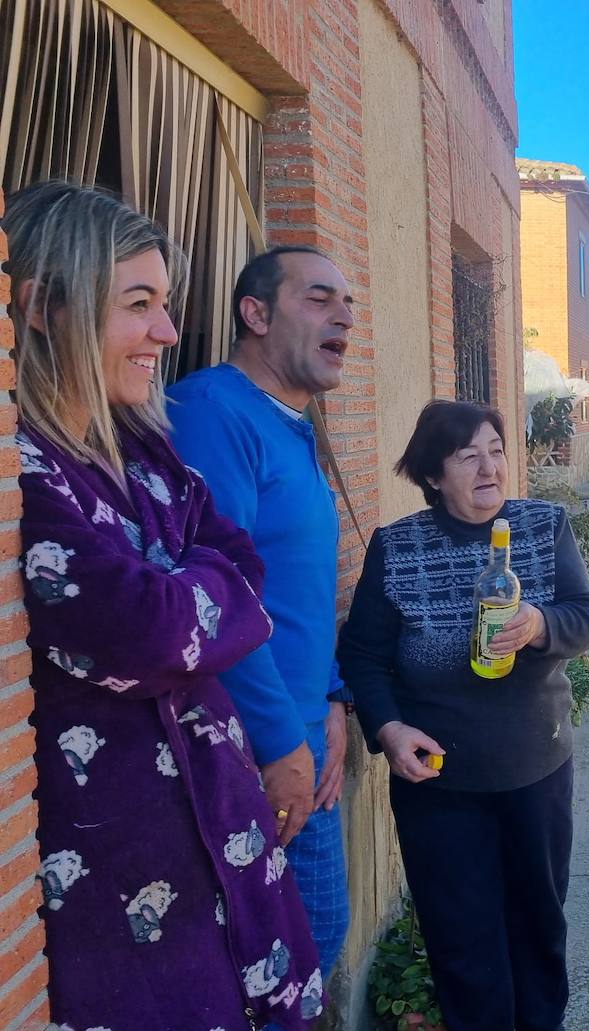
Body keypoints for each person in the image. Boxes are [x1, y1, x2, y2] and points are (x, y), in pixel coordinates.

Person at [5, 181, 322, 1029]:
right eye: (138, 304)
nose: (168, 332)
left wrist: (191, 604)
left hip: (227, 854)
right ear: (42, 308)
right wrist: (192, 598)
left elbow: (245, 571)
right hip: (125, 901)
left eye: (166, 302)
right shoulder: (22, 472)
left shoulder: (145, 449)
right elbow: (144, 629)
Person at [338, 400, 589, 1031]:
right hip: (438, 781)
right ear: (434, 476)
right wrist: (387, 727)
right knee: (462, 940)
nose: (490, 468)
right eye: (468, 457)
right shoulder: (397, 547)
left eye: (497, 450)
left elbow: (586, 615)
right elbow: (363, 653)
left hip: (534, 767)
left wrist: (541, 624)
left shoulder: (543, 527)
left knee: (538, 926)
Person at [166, 245, 354, 975]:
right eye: (318, 298)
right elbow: (218, 594)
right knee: (283, 970)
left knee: (307, 955)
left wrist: (332, 697)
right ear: (255, 313)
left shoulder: (292, 424)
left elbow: (299, 587)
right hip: (251, 750)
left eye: (348, 305)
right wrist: (282, 744)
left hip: (303, 738)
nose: (343, 316)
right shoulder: (212, 412)